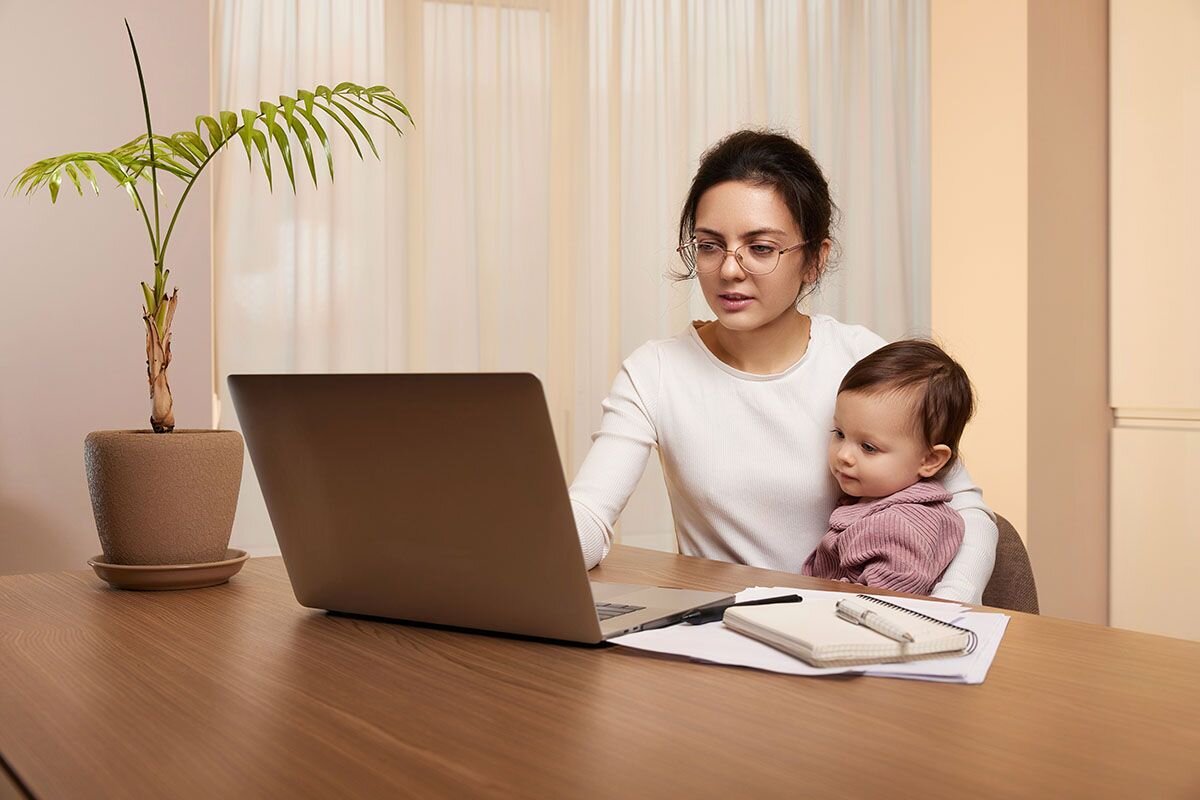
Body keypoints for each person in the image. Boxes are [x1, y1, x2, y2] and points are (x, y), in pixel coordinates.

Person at [568, 129, 997, 603]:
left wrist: (954, 603)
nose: (730, 270)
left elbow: (968, 510)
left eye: (762, 248)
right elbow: (589, 512)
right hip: (724, 636)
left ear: (814, 259)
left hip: (850, 630)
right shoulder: (655, 371)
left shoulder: (861, 361)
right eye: (710, 245)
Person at [801, 340, 975, 595]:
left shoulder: (896, 526)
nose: (844, 455)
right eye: (839, 433)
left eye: (869, 447)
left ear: (929, 460)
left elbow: (884, 605)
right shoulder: (876, 503)